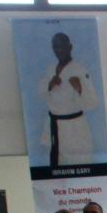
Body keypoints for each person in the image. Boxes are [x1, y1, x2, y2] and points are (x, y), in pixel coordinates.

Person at [38, 32, 96, 167]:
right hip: (54, 124)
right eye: (55, 47)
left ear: (70, 47)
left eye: (62, 46)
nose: (58, 50)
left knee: (79, 165)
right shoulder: (51, 69)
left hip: (74, 127)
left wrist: (80, 88)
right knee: (56, 168)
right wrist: (49, 85)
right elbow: (40, 93)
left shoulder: (80, 70)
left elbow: (92, 102)